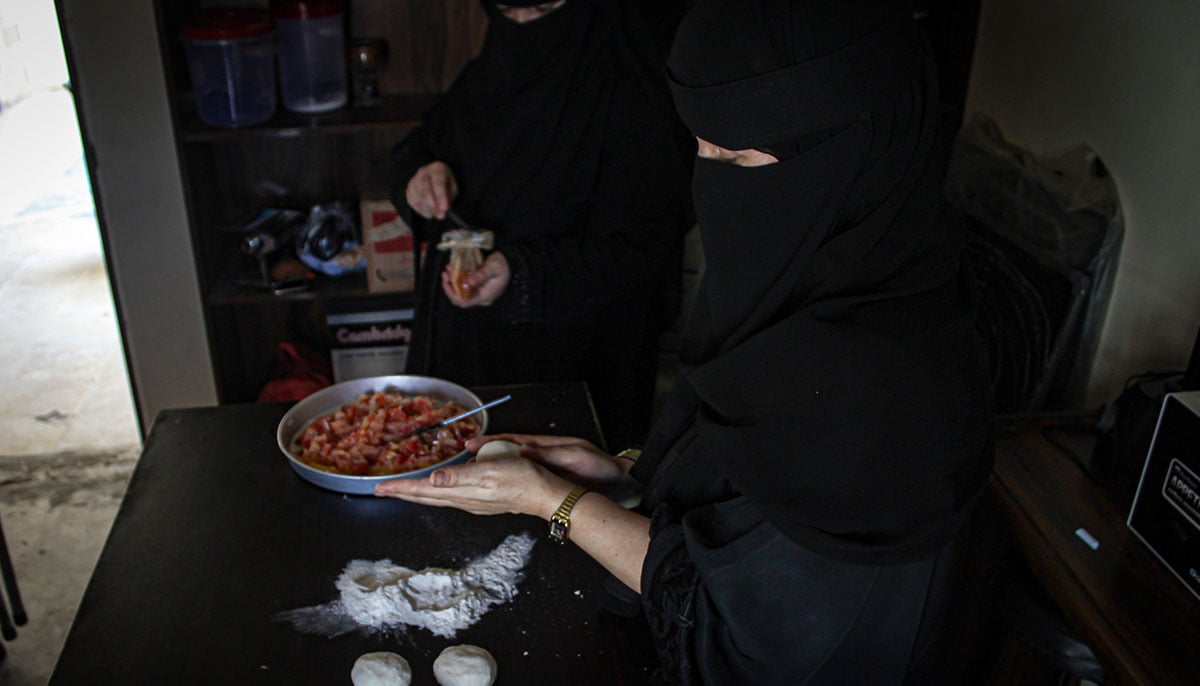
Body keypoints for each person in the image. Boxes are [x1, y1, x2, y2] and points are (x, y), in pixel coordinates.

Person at [377, 0, 995, 682]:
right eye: (700, 149)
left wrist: (554, 504)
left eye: (733, 157)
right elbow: (743, 481)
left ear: (843, 152)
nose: (711, 184)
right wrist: (628, 475)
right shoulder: (804, 273)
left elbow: (743, 624)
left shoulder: (885, 383)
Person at [389, 0, 692, 451]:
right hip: (465, 348)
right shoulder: (494, 69)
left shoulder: (630, 92)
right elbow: (430, 139)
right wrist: (419, 174)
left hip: (573, 368)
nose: (522, 26)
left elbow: (644, 244)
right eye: (507, 11)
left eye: (544, 9)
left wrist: (522, 273)